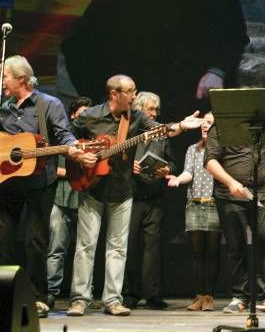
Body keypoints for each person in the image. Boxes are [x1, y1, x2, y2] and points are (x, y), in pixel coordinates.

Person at [61, 0, 249, 125]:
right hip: (135, 116)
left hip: (196, 113)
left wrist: (217, 70)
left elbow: (235, 39)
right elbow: (78, 46)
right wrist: (104, 101)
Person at [66, 75, 203, 317]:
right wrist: (78, 155)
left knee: (117, 248)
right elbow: (67, 139)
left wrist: (181, 126)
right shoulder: (90, 116)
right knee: (85, 246)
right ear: (114, 94)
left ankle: (113, 300)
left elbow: (161, 132)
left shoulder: (136, 117)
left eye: (134, 91)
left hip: (122, 190)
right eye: (130, 91)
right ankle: (79, 300)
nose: (134, 96)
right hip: (92, 188)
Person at [0, 55, 81, 318]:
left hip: (38, 181)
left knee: (36, 240)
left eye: (5, 77)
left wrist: (73, 146)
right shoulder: (4, 108)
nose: (3, 82)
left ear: (21, 79)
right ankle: (7, 294)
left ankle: (37, 297)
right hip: (9, 182)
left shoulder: (49, 104)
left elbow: (63, 134)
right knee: (4, 238)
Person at [204, 123, 265, 315]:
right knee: (236, 246)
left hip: (259, 192)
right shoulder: (221, 127)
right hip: (229, 193)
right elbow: (210, 161)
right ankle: (239, 297)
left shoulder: (260, 128)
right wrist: (230, 182)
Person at [122, 92, 175, 310]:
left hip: (154, 197)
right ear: (139, 109)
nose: (154, 114)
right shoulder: (128, 131)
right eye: (150, 109)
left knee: (152, 249)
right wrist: (128, 166)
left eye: (156, 110)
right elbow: (115, 159)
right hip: (132, 196)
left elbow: (173, 162)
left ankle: (152, 294)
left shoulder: (161, 134)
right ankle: (129, 293)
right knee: (130, 246)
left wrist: (168, 169)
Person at [167, 112, 220, 311]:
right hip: (195, 204)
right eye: (204, 123)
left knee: (212, 252)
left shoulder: (221, 149)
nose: (206, 126)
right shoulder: (193, 149)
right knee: (197, 253)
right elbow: (188, 172)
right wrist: (178, 179)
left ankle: (209, 297)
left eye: (210, 123)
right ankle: (198, 296)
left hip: (214, 203)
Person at [46, 96, 92, 310]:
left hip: (85, 199)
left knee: (84, 249)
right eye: (81, 114)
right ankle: (50, 293)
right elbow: (51, 166)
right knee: (57, 248)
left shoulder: (92, 139)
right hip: (62, 197)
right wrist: (69, 171)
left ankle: (82, 295)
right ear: (73, 115)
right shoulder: (61, 135)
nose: (85, 118)